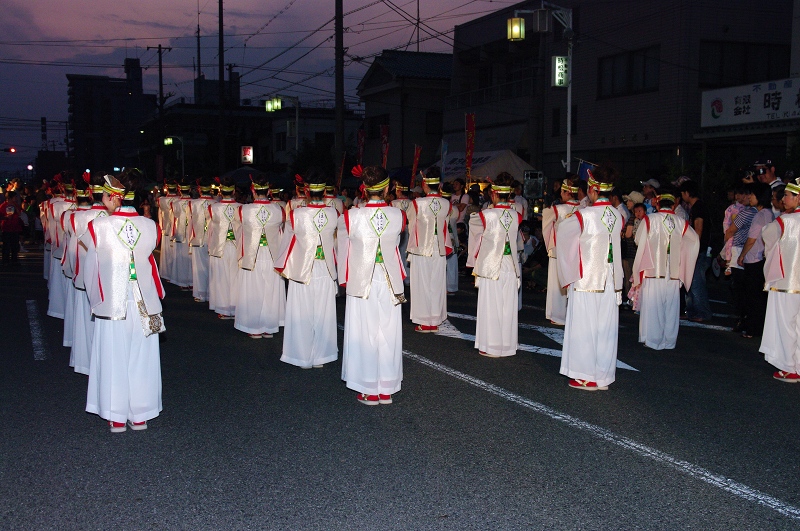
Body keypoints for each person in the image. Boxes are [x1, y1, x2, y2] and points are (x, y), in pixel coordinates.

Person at [82, 171, 165, 433]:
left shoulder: (98, 227)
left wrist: (95, 299)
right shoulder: (151, 226)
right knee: (142, 357)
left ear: (112, 198)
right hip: (145, 302)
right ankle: (139, 414)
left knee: (113, 355)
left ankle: (116, 415)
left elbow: (89, 267)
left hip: (113, 301)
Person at [337, 165, 406, 405]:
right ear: (387, 187)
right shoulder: (398, 215)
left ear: (364, 189)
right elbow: (396, 243)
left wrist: (344, 281)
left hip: (361, 278)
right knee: (388, 332)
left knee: (364, 333)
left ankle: (368, 388)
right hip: (390, 279)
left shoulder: (350, 216)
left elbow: (344, 251)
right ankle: (386, 387)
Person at [556, 163, 623, 391]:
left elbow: (562, 234)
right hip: (611, 279)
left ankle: (586, 375)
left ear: (593, 189)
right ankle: (602, 375)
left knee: (585, 326)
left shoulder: (584, 215)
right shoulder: (618, 215)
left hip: (587, 277)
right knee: (605, 327)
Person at [276, 169, 339, 368]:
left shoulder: (296, 214)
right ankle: (321, 355)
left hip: (302, 268)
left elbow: (286, 243)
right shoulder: (334, 213)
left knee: (301, 312)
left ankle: (301, 356)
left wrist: (282, 266)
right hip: (326, 268)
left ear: (307, 191)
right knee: (323, 313)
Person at [632, 191, 699, 350]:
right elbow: (694, 240)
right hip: (673, 270)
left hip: (653, 268)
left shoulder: (650, 219)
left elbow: (637, 239)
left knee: (653, 305)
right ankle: (668, 341)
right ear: (673, 204)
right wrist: (682, 255)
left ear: (657, 203)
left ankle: (653, 339)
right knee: (671, 307)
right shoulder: (681, 221)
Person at [467, 173, 522, 357]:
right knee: (508, 307)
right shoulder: (517, 215)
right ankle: (506, 346)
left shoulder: (485, 215)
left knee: (491, 306)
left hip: (491, 265)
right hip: (511, 264)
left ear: (494, 194)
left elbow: (476, 238)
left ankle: (491, 346)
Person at [234, 177, 285, 339]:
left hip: (252, 254)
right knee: (270, 289)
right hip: (272, 254)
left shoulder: (243, 210)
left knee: (253, 290)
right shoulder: (279, 210)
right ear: (269, 191)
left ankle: (254, 325)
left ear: (253, 191)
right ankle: (269, 325)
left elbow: (238, 231)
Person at [760, 178, 800, 382]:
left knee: (786, 325)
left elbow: (767, 235)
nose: (784, 199)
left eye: (787, 195)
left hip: (788, 281)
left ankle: (789, 367)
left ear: (797, 198)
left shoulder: (785, 221)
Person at [68, 174, 109, 375]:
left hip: (84, 275)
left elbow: (72, 247)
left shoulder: (76, 216)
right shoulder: (113, 218)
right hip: (109, 280)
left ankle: (85, 362)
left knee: (85, 321)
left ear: (90, 192)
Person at [406, 167, 452, 333]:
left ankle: (425, 321)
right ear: (439, 185)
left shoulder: (417, 203)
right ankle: (435, 320)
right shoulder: (447, 203)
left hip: (421, 247)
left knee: (422, 284)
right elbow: (445, 224)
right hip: (438, 247)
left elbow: (411, 226)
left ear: (425, 184)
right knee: (437, 283)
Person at [541, 177, 581, 325]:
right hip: (576, 252)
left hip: (558, 251)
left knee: (556, 284)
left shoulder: (558, 209)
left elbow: (546, 218)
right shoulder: (582, 209)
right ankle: (573, 315)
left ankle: (557, 315)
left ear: (566, 193)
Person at [736, 183, 774, 338]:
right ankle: (756, 328)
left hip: (754, 258)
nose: (749, 197)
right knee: (758, 296)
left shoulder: (759, 215)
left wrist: (741, 255)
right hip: (762, 258)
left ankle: (752, 329)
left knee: (752, 296)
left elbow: (751, 239)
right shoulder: (769, 213)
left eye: (752, 195)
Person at [207, 179, 241, 319]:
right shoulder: (241, 207)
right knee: (235, 277)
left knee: (221, 278)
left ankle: (223, 308)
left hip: (219, 246)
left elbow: (210, 229)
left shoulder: (213, 207)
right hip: (236, 246)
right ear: (233, 191)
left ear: (220, 191)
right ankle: (235, 306)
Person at [680, 180, 712, 323]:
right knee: (691, 281)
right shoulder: (697, 207)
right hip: (698, 249)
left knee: (696, 282)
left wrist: (694, 248)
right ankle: (691, 311)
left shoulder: (698, 207)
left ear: (687, 193)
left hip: (699, 250)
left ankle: (702, 312)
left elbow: (698, 229)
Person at [47, 180, 76, 319]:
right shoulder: (80, 208)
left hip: (59, 248)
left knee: (59, 287)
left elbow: (47, 225)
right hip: (73, 254)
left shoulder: (53, 205)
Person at [188, 181, 213, 303]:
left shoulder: (193, 204)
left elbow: (190, 224)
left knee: (199, 268)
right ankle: (211, 294)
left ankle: (200, 294)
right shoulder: (216, 203)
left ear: (199, 190)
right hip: (213, 240)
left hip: (198, 238)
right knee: (212, 268)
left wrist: (189, 241)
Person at [391, 181, 412, 287]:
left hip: (399, 230)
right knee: (407, 252)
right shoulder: (412, 203)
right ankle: (408, 277)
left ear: (398, 190)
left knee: (399, 252)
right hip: (410, 229)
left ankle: (400, 275)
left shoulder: (394, 203)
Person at [440, 183, 460, 295]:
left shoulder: (440, 207)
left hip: (443, 236)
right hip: (452, 236)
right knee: (452, 263)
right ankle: (451, 287)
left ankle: (443, 286)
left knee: (442, 262)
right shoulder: (455, 209)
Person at [0, 190, 24, 264]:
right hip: (7, 227)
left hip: (15, 227)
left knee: (15, 245)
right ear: (10, 198)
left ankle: (14, 259)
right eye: (15, 197)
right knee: (6, 245)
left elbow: (19, 213)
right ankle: (5, 260)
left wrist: (15, 206)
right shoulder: (3, 206)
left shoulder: (15, 205)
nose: (16, 198)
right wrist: (5, 217)